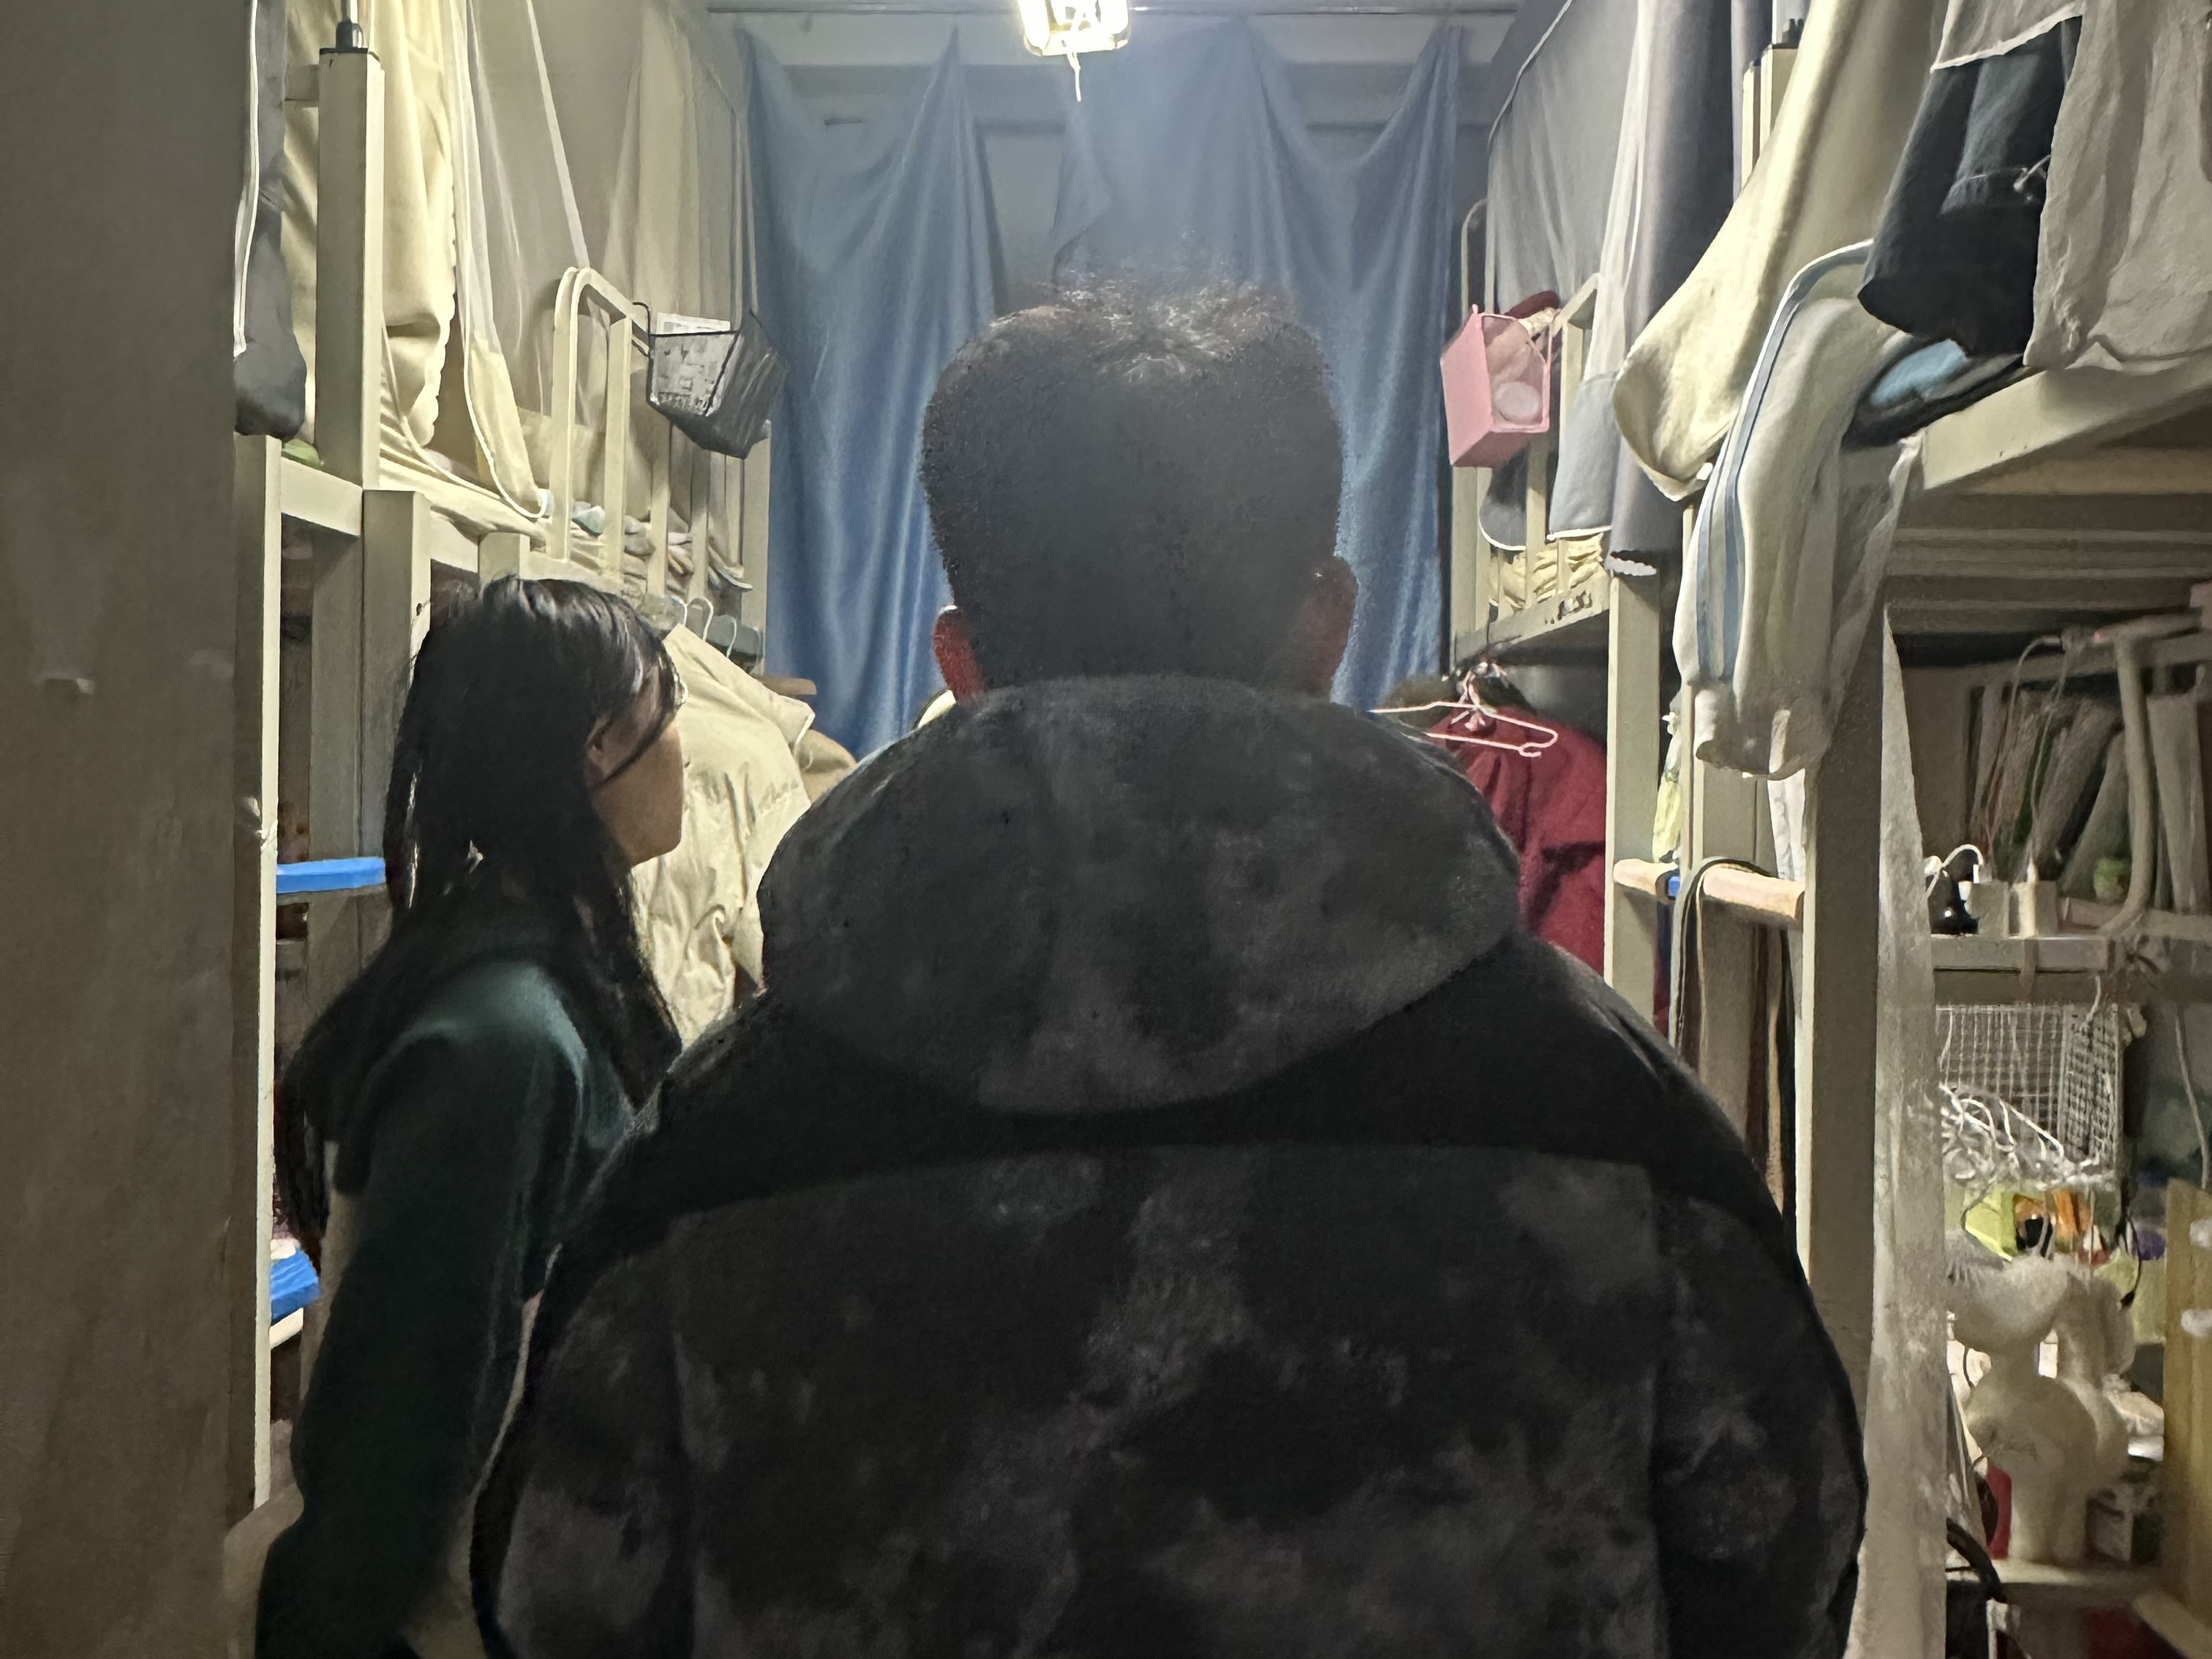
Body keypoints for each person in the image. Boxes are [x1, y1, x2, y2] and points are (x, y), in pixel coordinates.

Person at [475, 288, 1866, 1659]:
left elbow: (556, 1600)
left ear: (961, 660)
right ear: (1329, 623)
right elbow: (1782, 1562)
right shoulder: (1603, 1117)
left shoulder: (718, 1154)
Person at [241, 577, 687, 1659]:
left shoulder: (548, 988)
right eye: (665, 709)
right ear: (596, 747)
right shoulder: (501, 1046)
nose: (682, 747)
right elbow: (399, 1424)